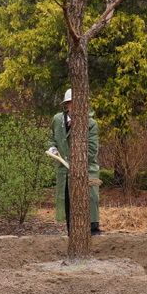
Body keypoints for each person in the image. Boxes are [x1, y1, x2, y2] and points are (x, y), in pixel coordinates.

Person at [47, 88, 101, 235]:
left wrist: (77, 166)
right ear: (67, 105)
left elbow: (91, 150)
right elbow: (52, 137)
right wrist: (52, 147)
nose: (75, 107)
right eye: (72, 103)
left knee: (89, 203)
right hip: (64, 172)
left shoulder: (90, 124)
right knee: (68, 204)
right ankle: (73, 234)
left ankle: (92, 233)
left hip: (87, 170)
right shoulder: (58, 120)